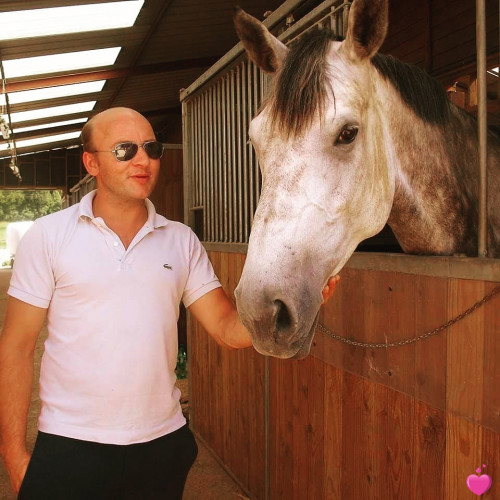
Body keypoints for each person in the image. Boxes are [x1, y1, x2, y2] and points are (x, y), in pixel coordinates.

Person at [0, 107, 339, 499]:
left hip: (160, 445)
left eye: (151, 147)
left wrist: (300, 300)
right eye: (125, 149)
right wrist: (13, 452)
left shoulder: (180, 240)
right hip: (71, 443)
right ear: (91, 162)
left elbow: (228, 330)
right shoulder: (48, 236)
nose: (143, 159)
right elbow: (17, 346)